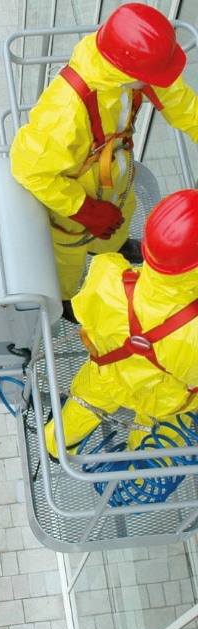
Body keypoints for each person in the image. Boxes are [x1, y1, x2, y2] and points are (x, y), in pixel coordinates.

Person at [10, 3, 198, 320]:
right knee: (68, 259)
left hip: (115, 182)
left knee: (119, 222)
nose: (160, 84)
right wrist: (85, 210)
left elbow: (179, 101)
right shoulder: (65, 110)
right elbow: (29, 169)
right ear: (130, 73)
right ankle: (67, 300)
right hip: (72, 206)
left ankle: (112, 248)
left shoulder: (131, 68)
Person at [44, 189, 198, 459]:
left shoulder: (109, 273)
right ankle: (138, 478)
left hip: (106, 372)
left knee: (83, 407)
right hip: (162, 398)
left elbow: (87, 312)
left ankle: (55, 446)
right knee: (154, 442)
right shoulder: (192, 335)